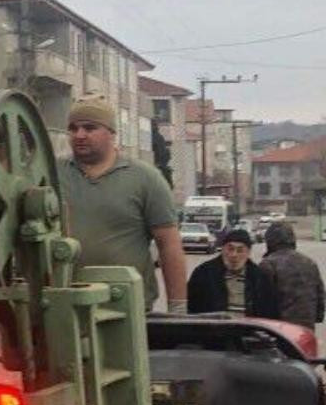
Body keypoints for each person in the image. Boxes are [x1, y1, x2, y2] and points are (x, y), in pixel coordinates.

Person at [58, 94, 187, 313]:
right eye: (73, 128)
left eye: (89, 128)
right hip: (63, 305)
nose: (79, 135)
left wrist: (178, 308)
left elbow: (169, 245)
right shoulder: (51, 173)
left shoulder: (146, 178)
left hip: (125, 307)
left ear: (111, 132)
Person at [187, 229, 278, 318]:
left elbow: (269, 313)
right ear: (222, 250)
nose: (234, 255)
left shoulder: (259, 278)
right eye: (230, 249)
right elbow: (191, 309)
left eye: (240, 250)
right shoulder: (203, 274)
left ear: (248, 253)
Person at [259, 222, 324, 329]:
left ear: (269, 241)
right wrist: (316, 316)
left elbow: (263, 303)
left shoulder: (268, 265)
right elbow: (320, 295)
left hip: (280, 330)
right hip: (306, 329)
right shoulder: (309, 262)